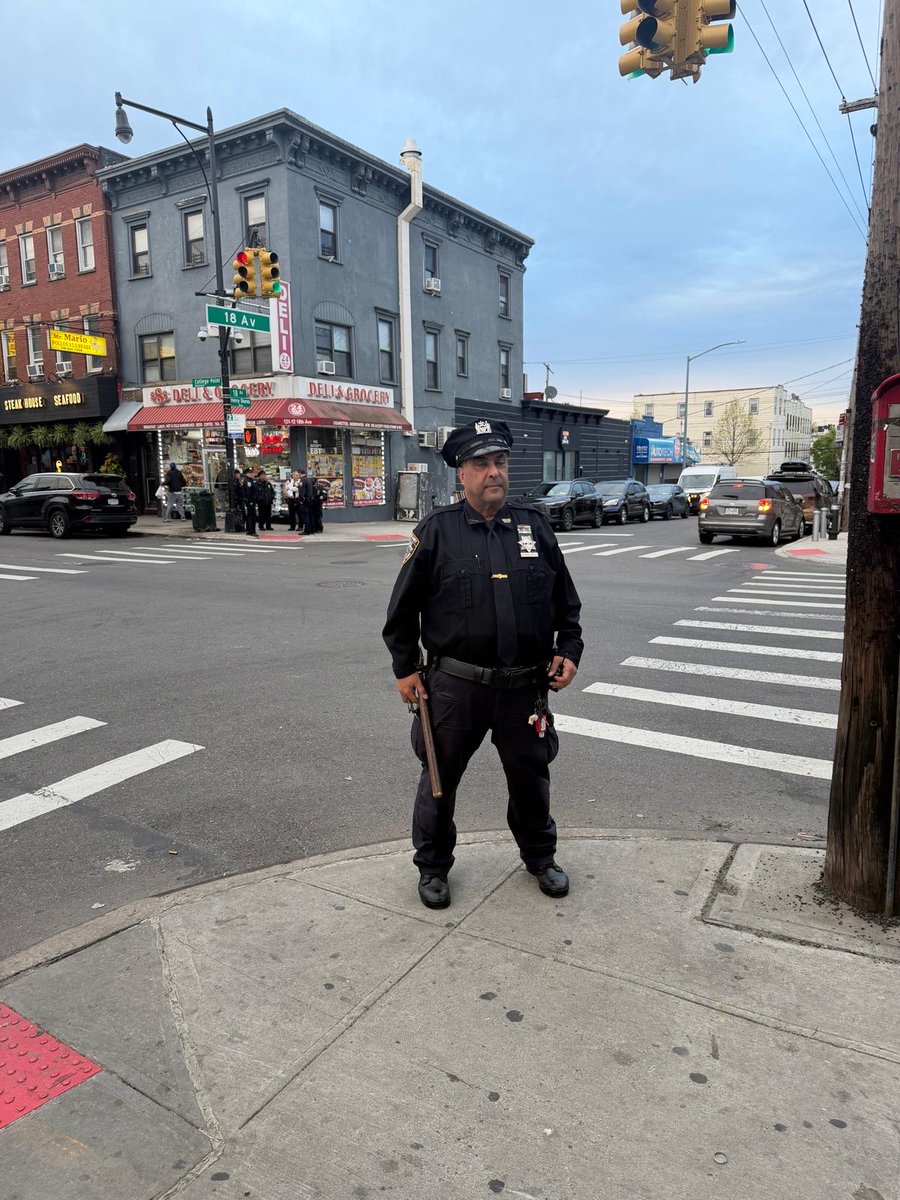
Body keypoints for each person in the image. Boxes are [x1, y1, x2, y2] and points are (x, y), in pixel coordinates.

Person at [382, 419, 583, 911]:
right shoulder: (436, 532)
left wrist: (569, 650)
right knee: (439, 780)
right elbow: (402, 611)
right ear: (461, 474)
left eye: (500, 463)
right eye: (481, 464)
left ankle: (540, 857)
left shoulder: (534, 527)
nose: (493, 472)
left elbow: (566, 604)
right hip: (455, 685)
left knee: (532, 777)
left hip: (523, 687)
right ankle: (433, 867)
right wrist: (406, 669)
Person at [240, 468, 259, 537]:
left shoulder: (250, 480)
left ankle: (248, 530)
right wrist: (251, 501)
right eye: (250, 473)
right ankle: (252, 531)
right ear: (247, 474)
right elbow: (248, 493)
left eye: (252, 473)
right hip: (250, 501)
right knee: (252, 517)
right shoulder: (248, 481)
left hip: (250, 501)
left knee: (249, 516)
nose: (252, 474)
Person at [299, 469, 317, 535]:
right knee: (310, 515)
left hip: (305, 500)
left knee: (305, 515)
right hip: (310, 500)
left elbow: (301, 491)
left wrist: (301, 499)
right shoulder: (309, 479)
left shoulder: (303, 480)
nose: (298, 476)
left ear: (300, 473)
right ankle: (312, 529)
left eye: (298, 474)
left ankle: (307, 530)